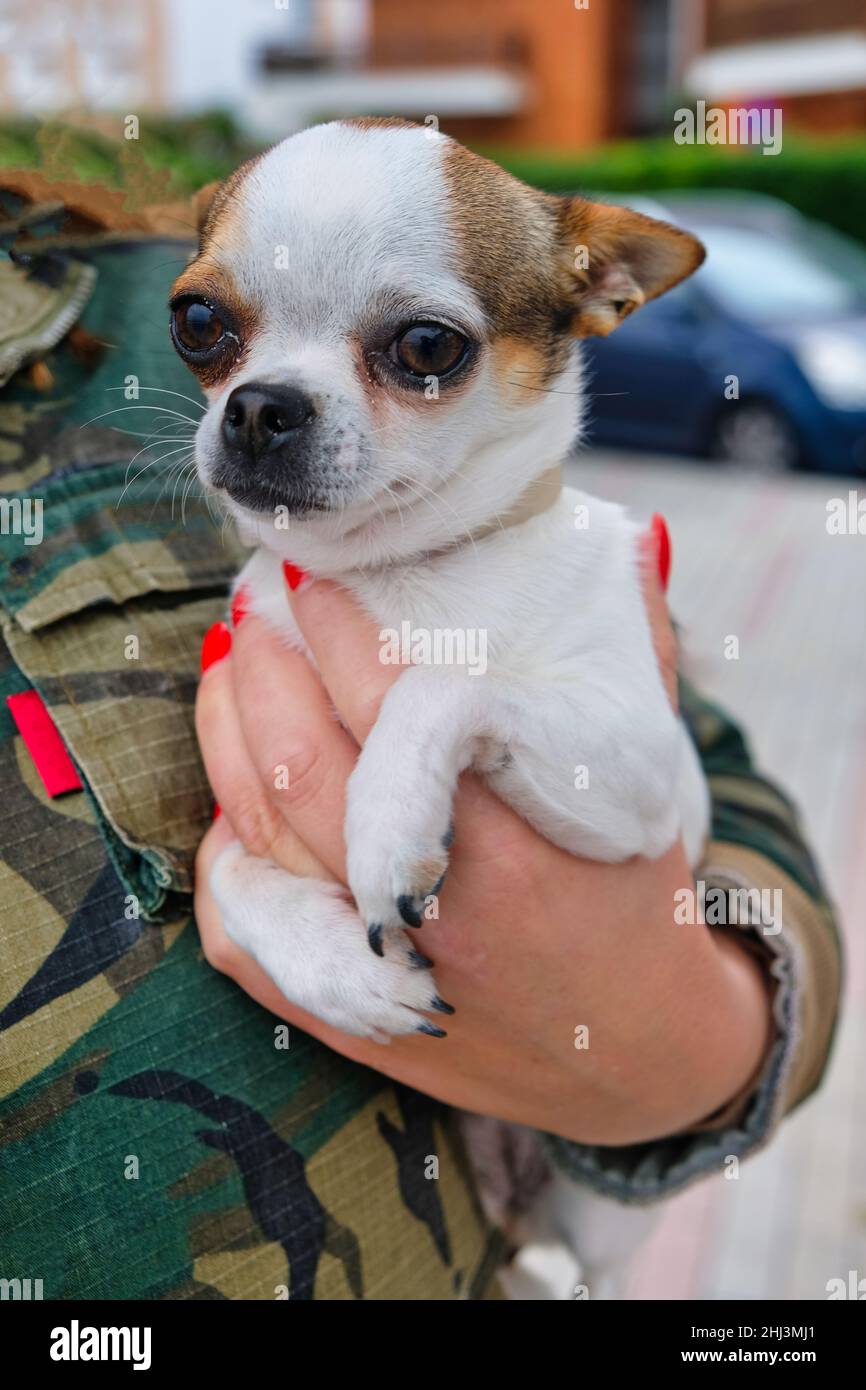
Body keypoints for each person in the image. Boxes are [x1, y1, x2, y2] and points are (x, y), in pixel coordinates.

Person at [0, 177, 841, 1300]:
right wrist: (279, 922)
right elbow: (230, 872)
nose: (258, 400)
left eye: (419, 349)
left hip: (578, 1219)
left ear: (591, 292)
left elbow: (679, 788)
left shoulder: (570, 559)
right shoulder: (278, 581)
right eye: (214, 332)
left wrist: (677, 1039)